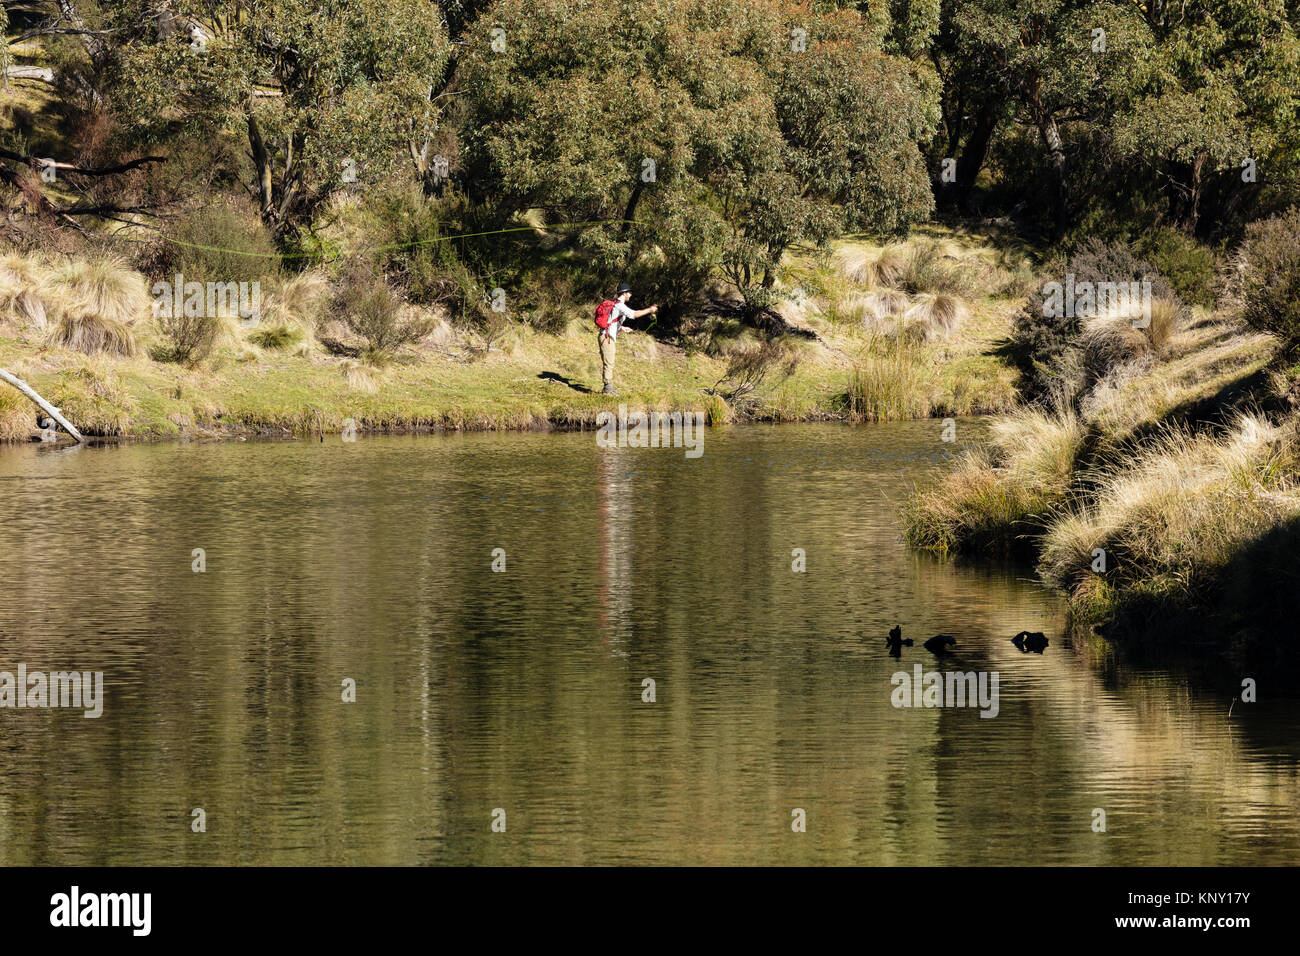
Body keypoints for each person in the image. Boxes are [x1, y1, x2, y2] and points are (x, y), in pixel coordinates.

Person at [596, 282, 658, 396]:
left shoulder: (617, 305)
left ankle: (608, 388)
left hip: (606, 336)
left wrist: (622, 328)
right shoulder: (619, 305)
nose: (631, 295)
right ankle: (607, 390)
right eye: (629, 293)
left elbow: (612, 321)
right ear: (624, 293)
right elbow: (634, 314)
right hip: (606, 337)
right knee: (609, 363)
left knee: (609, 362)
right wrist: (650, 310)